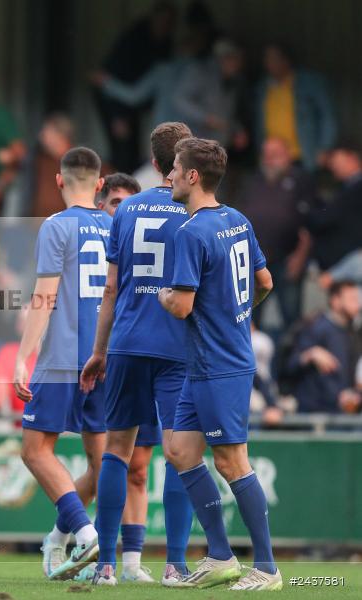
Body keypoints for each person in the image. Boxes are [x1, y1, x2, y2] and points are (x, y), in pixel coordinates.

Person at [158, 137, 280, 590]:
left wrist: (163, 294)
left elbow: (182, 306)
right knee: (180, 452)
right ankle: (221, 556)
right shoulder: (236, 219)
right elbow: (265, 281)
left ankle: (267, 568)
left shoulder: (191, 233)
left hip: (218, 364)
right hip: (208, 361)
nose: (169, 175)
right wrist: (238, 314)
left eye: (175, 167)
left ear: (192, 176)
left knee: (232, 463)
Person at [79, 122, 195, 586]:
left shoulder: (126, 209)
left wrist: (99, 351)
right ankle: (176, 565)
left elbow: (110, 288)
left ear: (153, 162)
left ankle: (106, 566)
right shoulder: (195, 211)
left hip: (126, 343)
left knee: (117, 450)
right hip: (176, 345)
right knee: (180, 453)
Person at [12, 147, 107, 581]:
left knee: (35, 450)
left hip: (64, 357)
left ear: (58, 180)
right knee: (102, 465)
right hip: (106, 358)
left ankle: (85, 535)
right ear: (100, 184)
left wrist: (23, 356)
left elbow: (45, 296)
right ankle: (62, 539)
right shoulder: (115, 225)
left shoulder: (55, 225)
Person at [237, 137, 314, 330]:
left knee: (292, 319)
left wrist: (300, 257)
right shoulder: (253, 180)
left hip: (287, 259)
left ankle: (292, 351)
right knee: (249, 318)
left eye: (275, 155)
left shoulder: (301, 180)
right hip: (254, 261)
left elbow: (310, 224)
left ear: (288, 156)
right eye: (266, 155)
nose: (270, 159)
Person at [92, 1, 177, 172]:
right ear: (153, 18)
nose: (164, 26)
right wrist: (117, 115)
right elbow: (113, 76)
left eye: (168, 23)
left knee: (134, 151)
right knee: (122, 148)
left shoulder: (165, 43)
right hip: (114, 99)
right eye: (162, 21)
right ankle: (118, 185)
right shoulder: (134, 39)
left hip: (133, 102)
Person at [256, 42, 337, 172]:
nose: (269, 63)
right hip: (272, 157)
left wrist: (324, 148)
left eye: (273, 59)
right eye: (267, 59)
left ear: (286, 61)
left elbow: (327, 116)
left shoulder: (308, 83)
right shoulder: (262, 87)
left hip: (302, 156)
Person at [285, 281, 361, 414]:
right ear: (335, 300)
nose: (358, 305)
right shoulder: (316, 327)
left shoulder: (354, 333)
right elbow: (289, 365)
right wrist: (310, 354)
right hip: (313, 413)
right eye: (352, 299)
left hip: (342, 413)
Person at [310, 140, 362, 282]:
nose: (332, 165)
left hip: (351, 269)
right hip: (341, 267)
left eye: (336, 160)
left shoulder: (356, 188)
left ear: (351, 158)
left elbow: (326, 218)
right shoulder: (345, 187)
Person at [25, 114, 76, 218]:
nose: (41, 136)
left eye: (46, 132)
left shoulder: (81, 162)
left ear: (60, 135)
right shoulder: (38, 160)